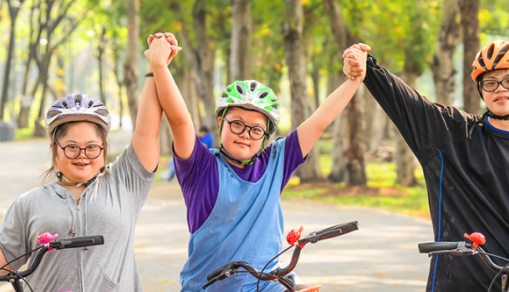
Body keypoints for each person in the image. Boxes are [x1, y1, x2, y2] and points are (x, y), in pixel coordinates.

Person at [0, 34, 180, 291]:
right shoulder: (28, 204)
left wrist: (155, 67)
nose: (82, 155)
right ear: (54, 149)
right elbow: (4, 257)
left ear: (104, 149)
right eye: (71, 147)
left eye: (92, 147)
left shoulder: (124, 183)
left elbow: (146, 131)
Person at [343, 41, 509, 291]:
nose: (500, 89)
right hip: (458, 282)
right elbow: (405, 102)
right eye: (490, 82)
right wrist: (366, 66)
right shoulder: (450, 135)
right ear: (481, 90)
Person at [150, 35, 365, 291]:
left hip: (267, 284)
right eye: (237, 124)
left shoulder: (276, 161)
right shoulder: (200, 166)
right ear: (220, 122)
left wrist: (354, 79)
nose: (245, 134)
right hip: (209, 287)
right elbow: (179, 120)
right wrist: (159, 66)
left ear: (265, 136)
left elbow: (320, 120)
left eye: (256, 130)